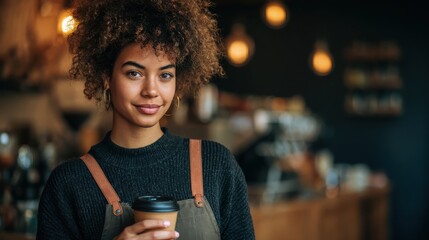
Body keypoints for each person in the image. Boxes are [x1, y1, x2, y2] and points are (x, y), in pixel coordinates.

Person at [36, 0, 255, 239]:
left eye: (165, 75)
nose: (151, 90)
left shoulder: (216, 165)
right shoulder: (70, 184)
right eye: (135, 73)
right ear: (106, 77)